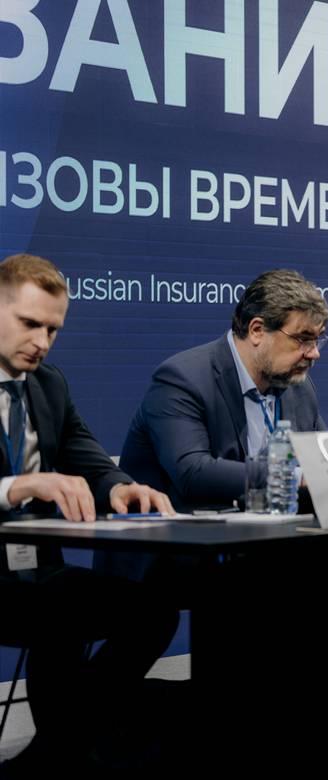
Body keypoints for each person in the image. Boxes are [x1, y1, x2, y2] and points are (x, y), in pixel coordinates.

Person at [0, 253, 177, 772]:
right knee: (60, 615)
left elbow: (87, 456)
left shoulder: (48, 384)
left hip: (37, 568)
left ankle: (63, 743)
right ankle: (65, 748)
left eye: (53, 329)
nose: (43, 341)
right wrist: (16, 487)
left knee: (153, 612)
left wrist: (122, 488)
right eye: (30, 323)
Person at [120, 269, 328, 511]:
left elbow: (325, 460)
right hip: (184, 529)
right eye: (303, 339)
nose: (314, 353)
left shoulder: (299, 388)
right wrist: (293, 477)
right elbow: (193, 472)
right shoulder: (183, 379)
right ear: (257, 330)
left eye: (317, 340)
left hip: (269, 529)